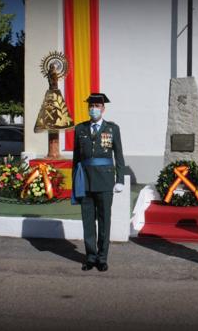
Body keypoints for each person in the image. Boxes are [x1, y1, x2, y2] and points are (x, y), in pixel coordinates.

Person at [72, 93, 125, 272]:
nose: (93, 109)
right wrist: (75, 182)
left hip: (104, 181)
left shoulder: (112, 129)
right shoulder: (80, 129)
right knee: (88, 221)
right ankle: (90, 257)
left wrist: (120, 180)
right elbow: (76, 159)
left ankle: (102, 258)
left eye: (97, 106)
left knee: (104, 221)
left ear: (103, 109)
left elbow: (119, 156)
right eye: (91, 106)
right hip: (85, 180)